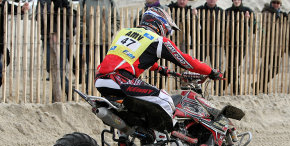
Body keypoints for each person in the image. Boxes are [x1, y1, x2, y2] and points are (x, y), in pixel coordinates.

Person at [95, 7, 223, 132]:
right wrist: (211, 71)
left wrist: (160, 69)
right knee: (165, 99)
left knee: (131, 110)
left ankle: (126, 141)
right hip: (120, 80)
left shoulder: (124, 33)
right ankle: (167, 141)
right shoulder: (157, 40)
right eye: (167, 30)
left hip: (101, 80)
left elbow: (130, 56)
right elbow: (187, 61)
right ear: (160, 24)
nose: (167, 33)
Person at [78, 0, 120, 92]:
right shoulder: (84, 1)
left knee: (105, 69)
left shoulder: (110, 2)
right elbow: (79, 19)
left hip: (105, 42)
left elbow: (116, 20)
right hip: (89, 42)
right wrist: (85, 32)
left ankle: (104, 91)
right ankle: (90, 90)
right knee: (91, 67)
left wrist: (110, 32)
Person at [37, 0, 76, 96]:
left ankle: (67, 91)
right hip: (48, 38)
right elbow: (40, 18)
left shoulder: (65, 2)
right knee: (50, 66)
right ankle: (67, 89)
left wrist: (64, 8)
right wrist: (53, 12)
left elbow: (73, 22)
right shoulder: (43, 2)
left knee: (60, 67)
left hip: (63, 38)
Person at [225, 0, 254, 94]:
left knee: (236, 65)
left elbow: (254, 29)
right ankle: (234, 87)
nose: (237, 1)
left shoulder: (247, 10)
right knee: (230, 65)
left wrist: (249, 20)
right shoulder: (227, 11)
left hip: (242, 43)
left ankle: (223, 85)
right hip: (229, 43)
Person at [1, 0, 29, 87]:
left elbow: (14, 9)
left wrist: (22, 8)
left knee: (7, 60)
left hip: (1, 41)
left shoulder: (4, 4)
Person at [261, 0, 288, 93]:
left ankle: (260, 83)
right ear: (271, 3)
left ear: (280, 4)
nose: (276, 5)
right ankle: (263, 86)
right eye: (274, 3)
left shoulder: (282, 14)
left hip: (278, 46)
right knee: (264, 67)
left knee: (275, 68)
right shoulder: (266, 12)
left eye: (278, 3)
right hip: (267, 45)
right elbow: (265, 27)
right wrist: (276, 18)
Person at [194, 0, 224, 66]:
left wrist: (221, 41)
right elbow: (192, 26)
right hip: (201, 43)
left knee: (216, 66)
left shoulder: (221, 12)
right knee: (199, 65)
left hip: (215, 43)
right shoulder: (198, 10)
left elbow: (224, 28)